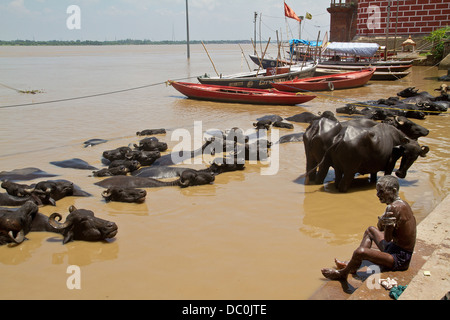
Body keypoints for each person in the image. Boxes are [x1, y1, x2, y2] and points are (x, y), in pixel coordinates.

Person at [321, 175, 416, 281]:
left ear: (393, 191)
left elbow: (388, 238)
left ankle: (343, 273)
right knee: (370, 230)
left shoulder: (393, 208)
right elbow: (380, 229)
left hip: (400, 258)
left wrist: (387, 225)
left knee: (360, 252)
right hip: (394, 248)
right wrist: (383, 222)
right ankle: (354, 265)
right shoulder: (401, 204)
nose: (378, 195)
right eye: (377, 191)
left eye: (381, 192)